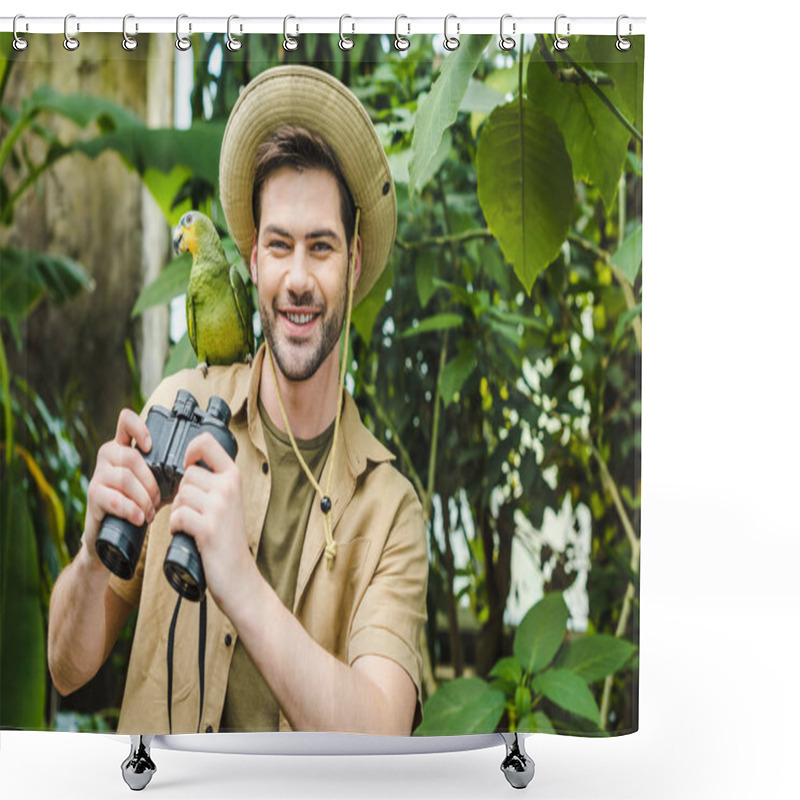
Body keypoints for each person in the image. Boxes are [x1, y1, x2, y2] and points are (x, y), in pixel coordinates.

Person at [47, 65, 428, 736]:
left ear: (355, 264)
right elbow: (67, 666)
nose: (298, 278)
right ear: (252, 263)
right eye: (279, 245)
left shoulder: (390, 511)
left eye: (322, 248)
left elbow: (383, 736)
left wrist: (236, 576)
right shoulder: (176, 409)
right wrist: (88, 553)